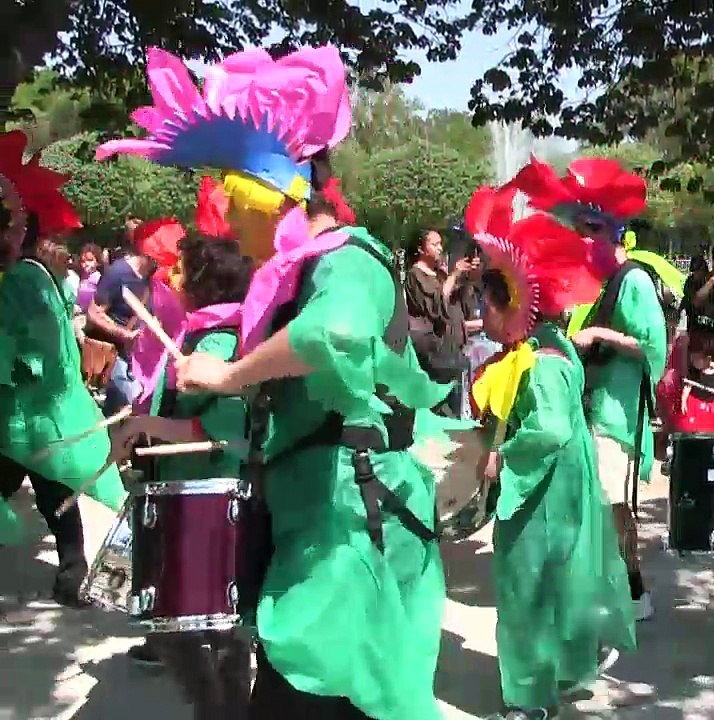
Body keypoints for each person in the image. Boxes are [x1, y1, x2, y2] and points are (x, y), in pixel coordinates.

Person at [101, 44, 449, 719]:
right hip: (312, 535)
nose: (226, 220)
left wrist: (228, 372)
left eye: (231, 195)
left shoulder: (349, 262)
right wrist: (151, 423)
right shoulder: (291, 280)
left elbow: (337, 335)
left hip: (353, 541)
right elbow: (251, 420)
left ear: (267, 191)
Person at [465, 194, 635, 719]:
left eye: (485, 308)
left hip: (541, 498)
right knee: (552, 590)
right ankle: (551, 680)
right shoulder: (548, 346)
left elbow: (551, 428)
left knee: (526, 593)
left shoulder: (542, 362)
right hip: (558, 493)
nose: (482, 318)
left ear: (510, 305)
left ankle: (530, 702)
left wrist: (502, 456)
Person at [511, 156, 668, 622]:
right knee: (600, 507)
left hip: (619, 414)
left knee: (612, 508)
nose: (583, 239)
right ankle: (621, 587)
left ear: (611, 232)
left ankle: (633, 590)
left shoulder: (635, 279)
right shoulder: (600, 284)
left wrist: (600, 337)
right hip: (596, 409)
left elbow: (653, 347)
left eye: (590, 230)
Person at [108, 234, 254, 717]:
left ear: (203, 281)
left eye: (182, 269)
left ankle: (218, 711)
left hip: (205, 493)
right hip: (182, 488)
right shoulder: (201, 332)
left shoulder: (221, 340)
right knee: (199, 621)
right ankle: (221, 709)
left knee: (196, 620)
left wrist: (145, 425)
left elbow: (217, 429)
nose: (172, 276)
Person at [0, 129, 126, 604]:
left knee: (51, 486)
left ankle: (75, 573)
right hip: (48, 409)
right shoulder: (39, 275)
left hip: (28, 412)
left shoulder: (18, 280)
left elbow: (9, 348)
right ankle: (72, 574)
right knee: (55, 489)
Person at [406, 229, 480, 415]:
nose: (440, 248)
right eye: (434, 244)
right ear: (421, 249)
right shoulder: (415, 275)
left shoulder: (439, 274)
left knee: (454, 408)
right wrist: (453, 275)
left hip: (452, 352)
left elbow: (459, 302)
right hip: (434, 355)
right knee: (439, 410)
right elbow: (435, 307)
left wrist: (468, 274)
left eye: (440, 244)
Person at [85, 236, 155, 415]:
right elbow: (94, 313)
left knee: (123, 410)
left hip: (136, 358)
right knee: (128, 404)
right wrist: (124, 334)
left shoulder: (150, 278)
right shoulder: (118, 272)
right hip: (115, 355)